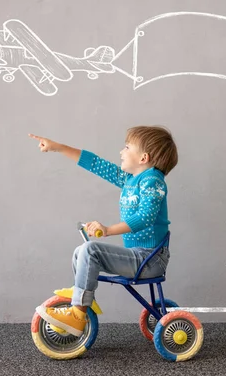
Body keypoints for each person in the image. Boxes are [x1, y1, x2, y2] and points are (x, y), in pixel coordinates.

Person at [28, 126, 177, 337]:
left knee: (90, 250)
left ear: (144, 157)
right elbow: (96, 164)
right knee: (82, 251)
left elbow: (145, 217)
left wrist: (107, 230)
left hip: (149, 259)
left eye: (127, 147)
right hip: (139, 256)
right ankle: (80, 303)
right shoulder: (130, 180)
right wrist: (58, 147)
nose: (121, 152)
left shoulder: (153, 181)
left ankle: (78, 314)